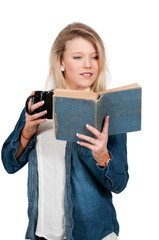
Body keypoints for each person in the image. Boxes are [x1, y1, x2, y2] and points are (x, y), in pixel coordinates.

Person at [1, 22, 129, 240]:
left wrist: (103, 157)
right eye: (78, 57)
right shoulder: (38, 105)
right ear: (61, 62)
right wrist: (27, 132)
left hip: (92, 235)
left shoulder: (107, 110)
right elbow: (9, 164)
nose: (88, 64)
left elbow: (119, 184)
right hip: (40, 233)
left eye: (95, 57)